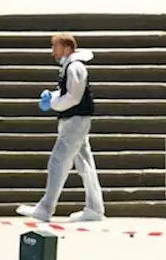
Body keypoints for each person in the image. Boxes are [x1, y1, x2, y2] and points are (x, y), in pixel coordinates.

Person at [16, 34, 105, 222]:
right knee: (85, 164)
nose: (52, 51)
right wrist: (54, 95)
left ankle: (45, 209)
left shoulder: (75, 67)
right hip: (74, 120)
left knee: (58, 162)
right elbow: (69, 92)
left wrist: (53, 102)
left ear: (66, 48)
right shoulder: (70, 67)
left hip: (75, 120)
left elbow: (74, 96)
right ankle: (95, 208)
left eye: (54, 47)